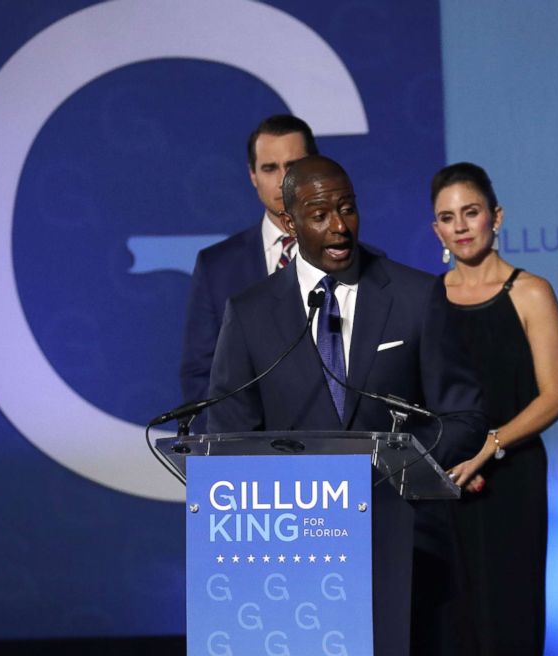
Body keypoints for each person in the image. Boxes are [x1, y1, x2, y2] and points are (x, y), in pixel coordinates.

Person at [206, 155, 487, 656]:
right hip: (290, 554)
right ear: (289, 223)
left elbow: (463, 415)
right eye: (319, 215)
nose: (339, 227)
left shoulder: (416, 296)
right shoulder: (248, 314)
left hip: (400, 546)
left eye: (348, 209)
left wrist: (390, 465)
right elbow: (230, 437)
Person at [430, 162, 558, 656]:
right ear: (437, 230)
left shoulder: (531, 292)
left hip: (512, 478)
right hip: (444, 480)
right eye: (448, 218)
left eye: (471, 212)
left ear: (497, 216)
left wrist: (490, 447)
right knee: (452, 624)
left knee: (509, 618)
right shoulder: (427, 298)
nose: (461, 226)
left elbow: (555, 396)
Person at [179, 115, 316, 431]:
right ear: (252, 175)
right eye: (270, 168)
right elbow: (201, 374)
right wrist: (229, 455)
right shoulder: (217, 267)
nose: (283, 180)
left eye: (293, 165)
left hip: (336, 459)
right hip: (247, 461)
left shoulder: (348, 257)